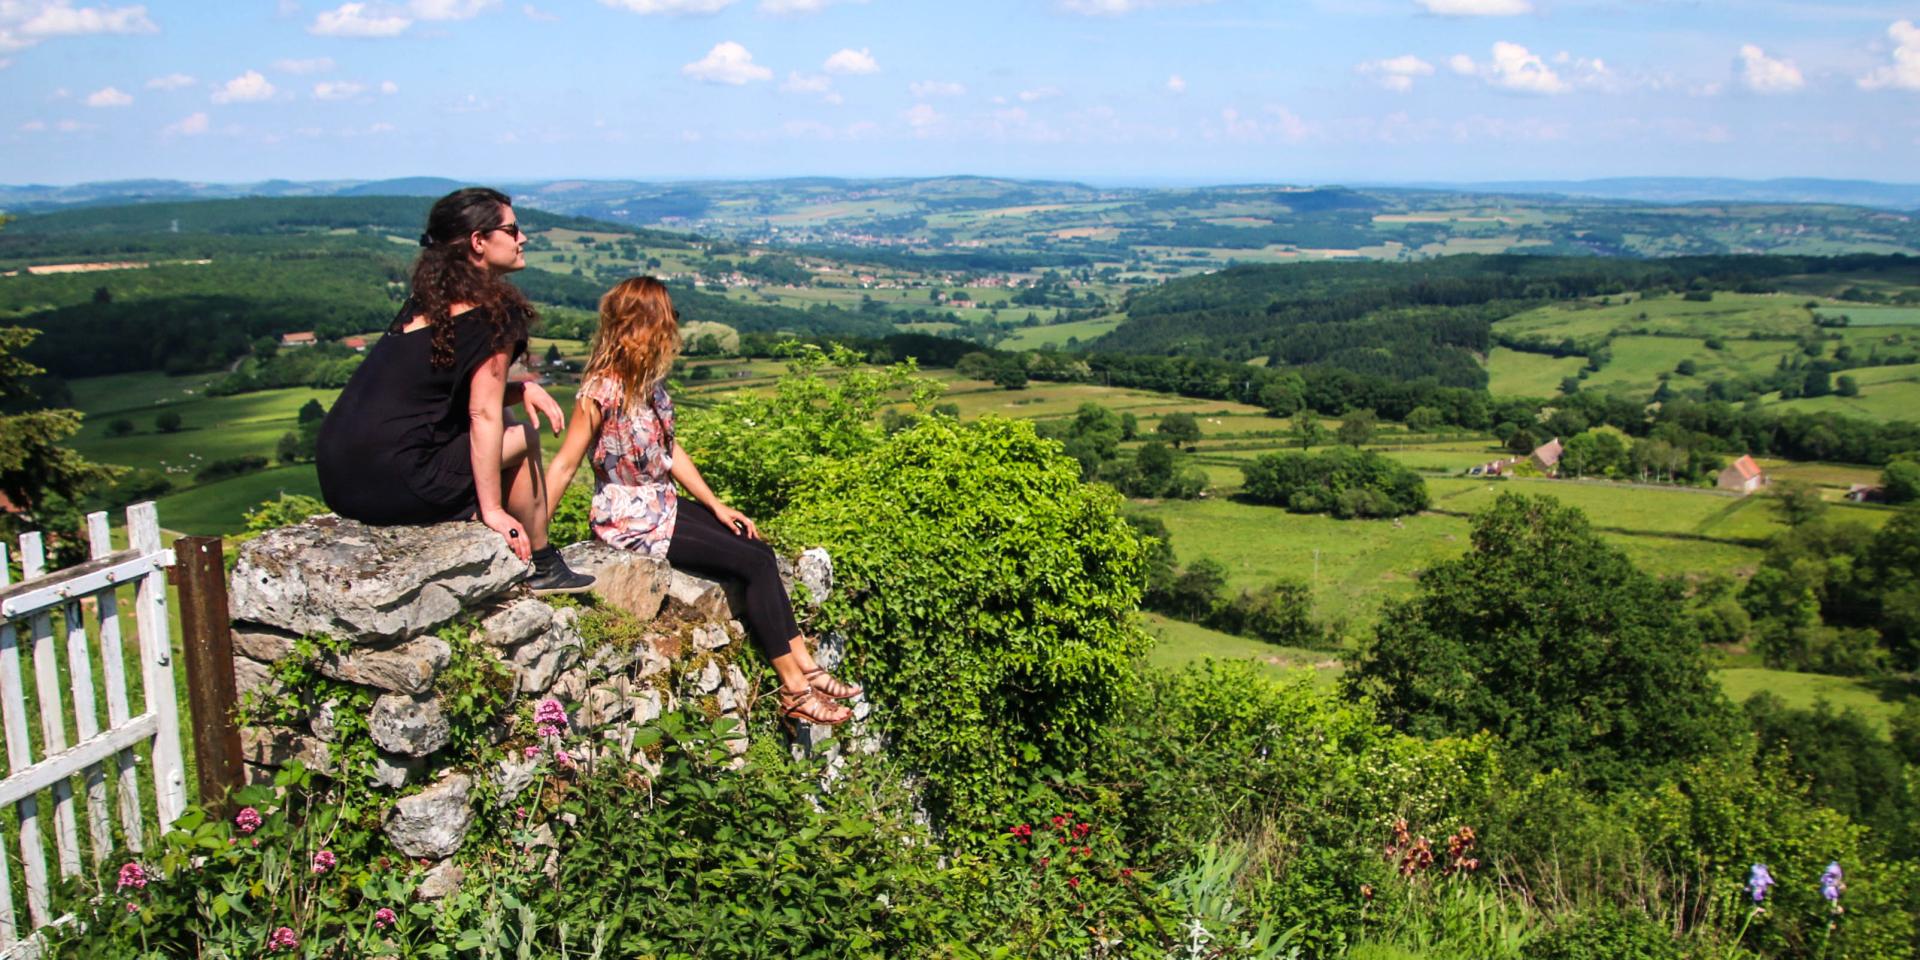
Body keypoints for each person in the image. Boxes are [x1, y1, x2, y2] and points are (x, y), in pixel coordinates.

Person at [543, 277, 859, 728]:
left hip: (662, 503)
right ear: (644, 324)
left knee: (759, 549)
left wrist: (714, 504)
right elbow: (563, 466)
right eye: (665, 317)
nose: (673, 326)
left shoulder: (646, 385)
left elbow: (670, 451)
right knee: (751, 565)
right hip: (631, 519)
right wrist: (535, 543)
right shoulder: (601, 391)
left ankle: (806, 665)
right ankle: (794, 690)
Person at [316, 187, 592, 594]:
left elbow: (443, 391)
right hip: (401, 483)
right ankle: (543, 561)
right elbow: (482, 414)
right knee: (521, 434)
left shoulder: (425, 303)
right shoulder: (494, 315)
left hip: (342, 482)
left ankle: (524, 545)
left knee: (507, 411)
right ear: (479, 242)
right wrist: (494, 510)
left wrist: (520, 389)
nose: (523, 239)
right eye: (512, 230)